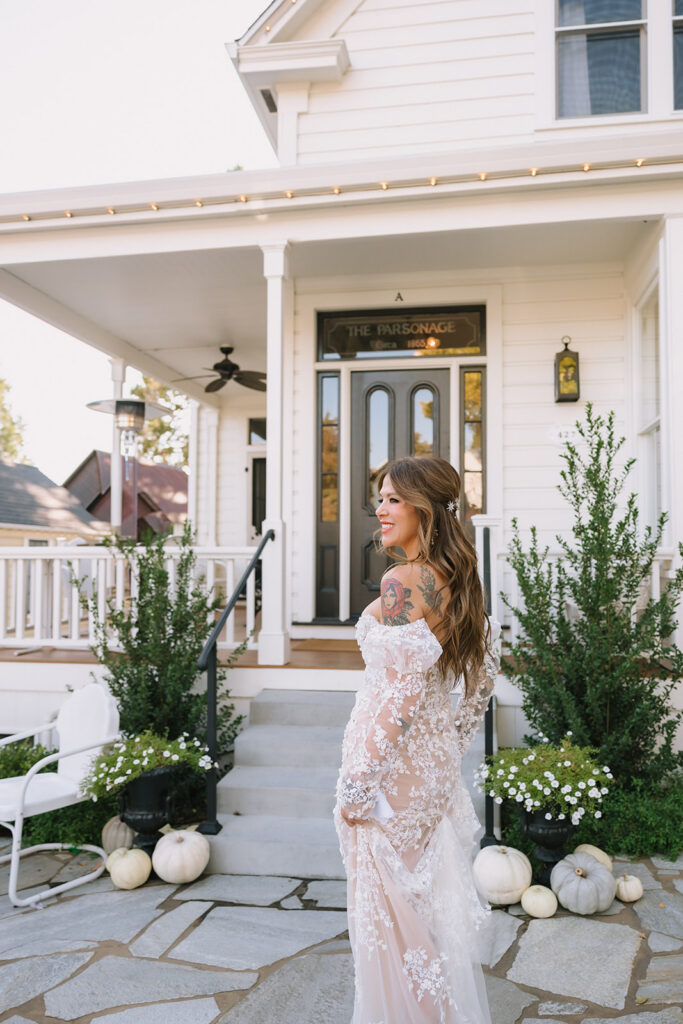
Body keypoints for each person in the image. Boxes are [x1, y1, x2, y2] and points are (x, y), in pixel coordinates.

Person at [334, 455, 499, 1024]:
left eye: (393, 499)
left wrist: (359, 781)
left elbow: (402, 696)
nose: (379, 510)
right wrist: (451, 745)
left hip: (394, 770)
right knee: (415, 913)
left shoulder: (403, 581)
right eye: (378, 498)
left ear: (424, 508)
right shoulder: (457, 579)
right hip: (428, 770)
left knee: (392, 918)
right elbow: (484, 678)